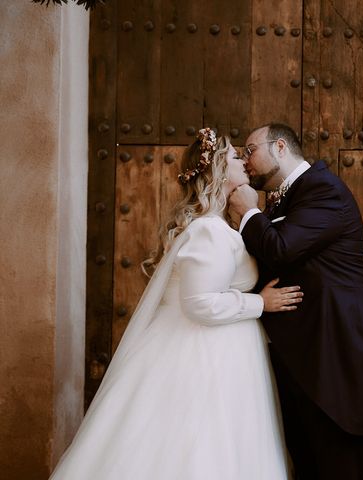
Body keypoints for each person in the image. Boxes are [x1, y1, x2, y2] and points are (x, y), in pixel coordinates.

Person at [49, 129, 301, 480]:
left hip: (226, 354)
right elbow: (199, 303)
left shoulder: (219, 227)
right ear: (216, 170)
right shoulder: (209, 231)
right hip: (202, 356)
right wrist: (259, 303)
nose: (243, 160)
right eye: (232, 157)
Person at [229, 123, 363, 480]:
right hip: (299, 359)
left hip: (332, 359)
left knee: (336, 467)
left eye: (250, 149)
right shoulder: (282, 198)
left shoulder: (323, 190)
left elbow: (281, 249)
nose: (245, 159)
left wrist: (249, 213)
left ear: (280, 147)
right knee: (307, 465)